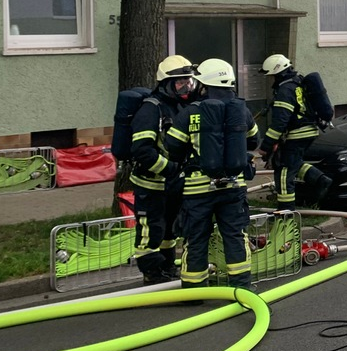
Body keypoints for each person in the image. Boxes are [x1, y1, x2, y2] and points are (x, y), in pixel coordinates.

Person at [164, 59, 259, 291]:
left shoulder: (191, 112)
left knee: (196, 239)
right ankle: (242, 288)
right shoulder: (241, 110)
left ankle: (194, 291)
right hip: (234, 186)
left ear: (204, 84)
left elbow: (172, 147)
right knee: (235, 236)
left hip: (198, 189)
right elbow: (254, 140)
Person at [130, 54, 198, 283]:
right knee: (152, 228)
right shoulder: (151, 110)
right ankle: (151, 271)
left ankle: (167, 266)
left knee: (170, 229)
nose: (185, 87)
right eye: (180, 83)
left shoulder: (180, 106)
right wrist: (169, 168)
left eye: (188, 82)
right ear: (166, 84)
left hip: (173, 182)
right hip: (151, 183)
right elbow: (142, 150)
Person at [257, 54, 332, 211]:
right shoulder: (297, 83)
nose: (270, 80)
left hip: (297, 133)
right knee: (294, 163)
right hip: (309, 129)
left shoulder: (285, 90)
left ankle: (286, 212)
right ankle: (320, 180)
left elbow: (279, 122)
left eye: (271, 76)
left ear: (278, 74)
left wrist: (265, 146)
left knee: (284, 170)